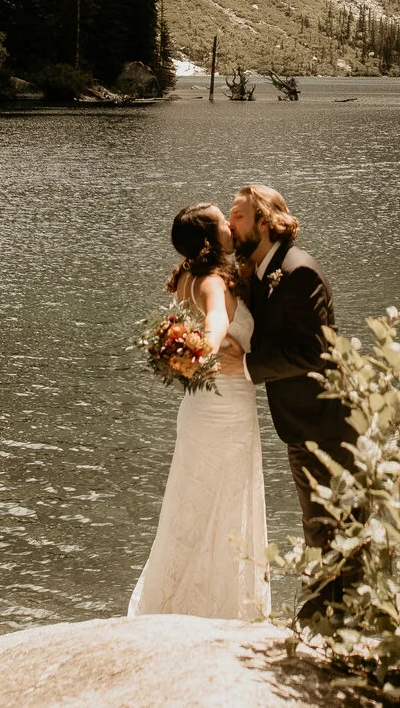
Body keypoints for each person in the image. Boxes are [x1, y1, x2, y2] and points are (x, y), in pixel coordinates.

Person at [222, 182, 359, 620]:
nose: (230, 223)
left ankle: (342, 619)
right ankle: (328, 618)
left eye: (238, 216)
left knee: (340, 526)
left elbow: (313, 353)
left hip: (330, 425)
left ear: (264, 221)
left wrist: (245, 367)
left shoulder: (298, 270)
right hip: (302, 423)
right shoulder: (262, 271)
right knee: (321, 527)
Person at [127, 203, 270, 621]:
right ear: (211, 239)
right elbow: (212, 330)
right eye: (223, 221)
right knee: (226, 498)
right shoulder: (210, 282)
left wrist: (183, 358)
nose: (230, 222)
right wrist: (209, 351)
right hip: (224, 405)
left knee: (192, 502)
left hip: (199, 406)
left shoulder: (185, 277)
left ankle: (177, 602)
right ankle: (223, 611)